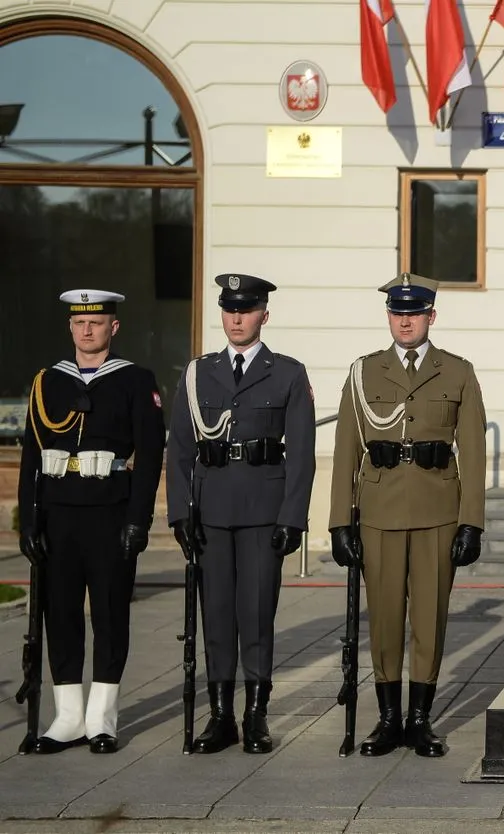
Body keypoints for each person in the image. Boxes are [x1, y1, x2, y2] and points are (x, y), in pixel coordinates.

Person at [327, 272, 488, 758]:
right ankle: (388, 719)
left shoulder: (457, 371)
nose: (405, 321)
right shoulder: (364, 372)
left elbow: (474, 452)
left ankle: (419, 720)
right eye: (398, 313)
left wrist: (472, 521)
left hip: (438, 510)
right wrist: (339, 522)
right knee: (384, 618)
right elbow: (345, 449)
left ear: (430, 316)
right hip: (379, 511)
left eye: (414, 313)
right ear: (389, 317)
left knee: (429, 616)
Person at [166, 274, 316, 754]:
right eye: (230, 309)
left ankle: (255, 715)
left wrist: (292, 517)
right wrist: (179, 512)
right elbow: (179, 448)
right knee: (216, 615)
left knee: (255, 613)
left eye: (246, 310)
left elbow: (303, 453)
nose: (236, 318)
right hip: (210, 509)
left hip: (262, 510)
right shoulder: (198, 373)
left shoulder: (287, 373)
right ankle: (220, 716)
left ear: (263, 316)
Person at [17, 289, 165, 754]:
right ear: (70, 327)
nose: (87, 330)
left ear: (113, 327)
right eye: (79, 322)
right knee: (59, 614)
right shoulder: (47, 382)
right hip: (58, 514)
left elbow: (151, 456)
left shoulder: (136, 380)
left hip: (109, 512)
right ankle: (67, 717)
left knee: (109, 613)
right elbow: (31, 457)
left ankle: (102, 718)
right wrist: (28, 522)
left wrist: (138, 520)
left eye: (96, 322)